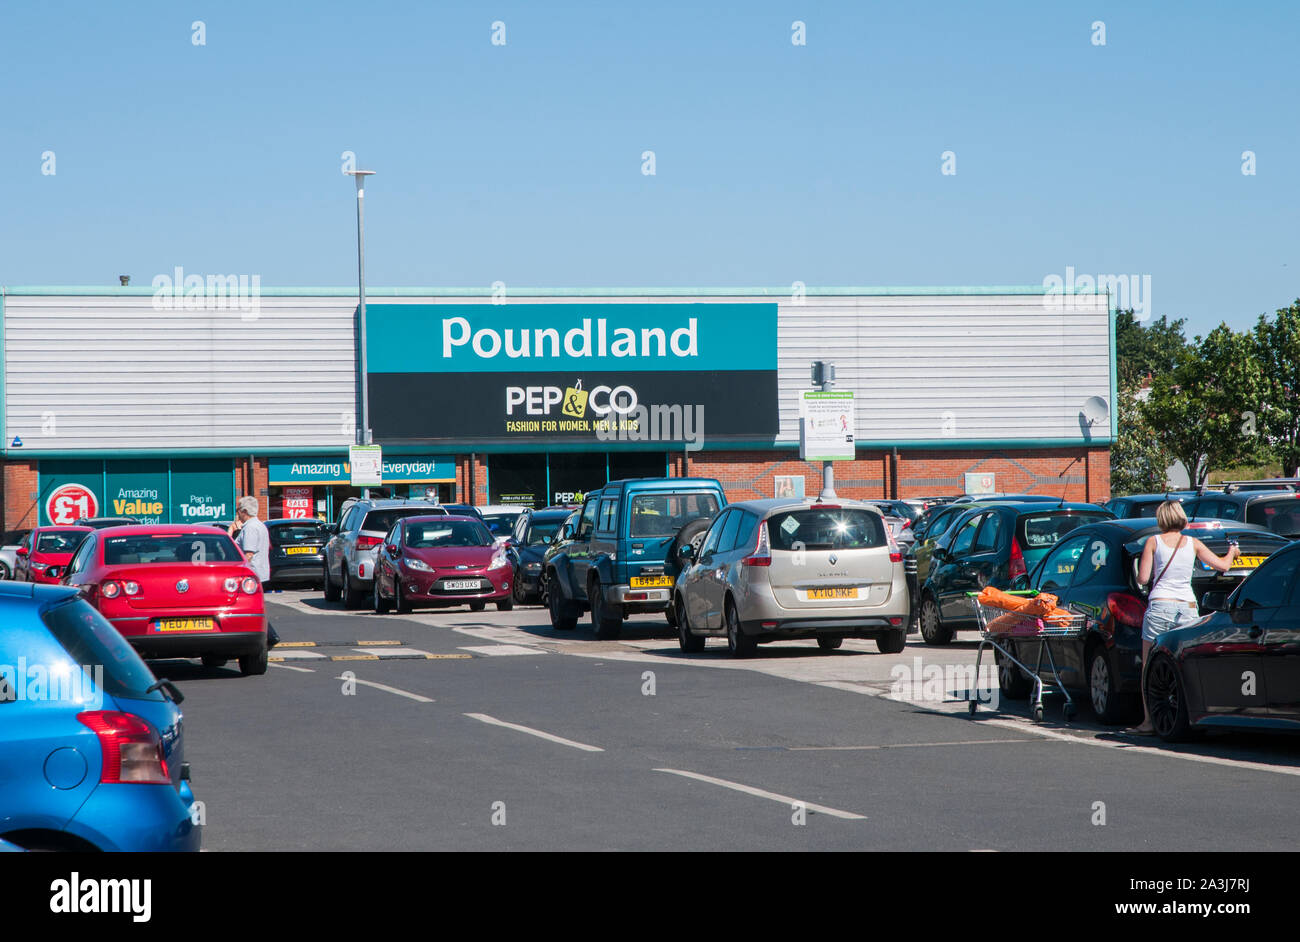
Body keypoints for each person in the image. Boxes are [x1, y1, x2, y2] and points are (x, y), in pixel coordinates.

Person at [1129, 500, 1238, 734]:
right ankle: (1190, 715)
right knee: (1185, 663)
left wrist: (1140, 571)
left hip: (1160, 606)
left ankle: (1149, 721)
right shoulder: (1193, 543)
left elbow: (1144, 579)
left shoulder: (1153, 542)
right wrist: (1232, 552)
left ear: (1161, 519)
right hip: (1187, 606)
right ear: (1180, 517)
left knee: (1149, 666)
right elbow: (1222, 566)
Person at [230, 496, 279, 648]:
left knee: (250, 608)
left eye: (238, 510)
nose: (237, 514)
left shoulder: (250, 528)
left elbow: (248, 554)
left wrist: (238, 571)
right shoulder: (260, 525)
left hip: (253, 575)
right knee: (256, 607)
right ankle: (269, 637)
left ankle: (270, 636)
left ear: (244, 511)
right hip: (261, 573)